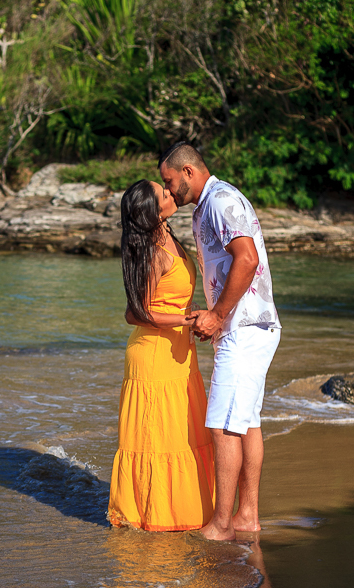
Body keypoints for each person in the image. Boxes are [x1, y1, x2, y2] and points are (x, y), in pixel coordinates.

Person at [158, 142, 281, 541]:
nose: (170, 189)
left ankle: (222, 524)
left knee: (223, 427)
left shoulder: (219, 201)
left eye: (170, 181)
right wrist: (209, 309)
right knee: (245, 424)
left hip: (243, 327)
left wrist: (217, 315)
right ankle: (246, 517)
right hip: (250, 324)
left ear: (189, 172)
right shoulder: (211, 203)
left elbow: (247, 259)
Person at [107, 180, 216, 531]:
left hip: (177, 352)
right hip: (154, 355)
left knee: (182, 436)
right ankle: (153, 517)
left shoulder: (168, 237)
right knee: (158, 440)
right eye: (163, 194)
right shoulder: (153, 251)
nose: (171, 194)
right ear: (152, 212)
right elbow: (134, 312)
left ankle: (185, 513)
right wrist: (187, 319)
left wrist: (191, 315)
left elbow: (168, 299)